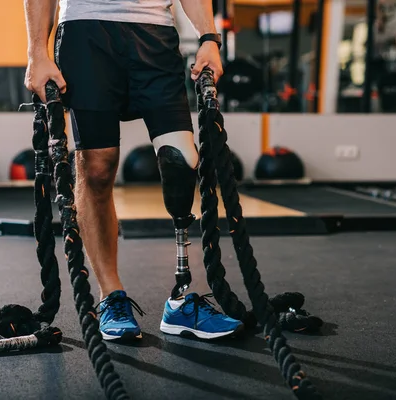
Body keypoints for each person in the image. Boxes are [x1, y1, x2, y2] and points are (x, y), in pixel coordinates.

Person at [24, 0, 243, 342]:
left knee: (182, 161)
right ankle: (111, 296)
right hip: (86, 30)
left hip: (155, 31)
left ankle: (183, 296)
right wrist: (37, 51)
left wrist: (209, 37)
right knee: (96, 168)